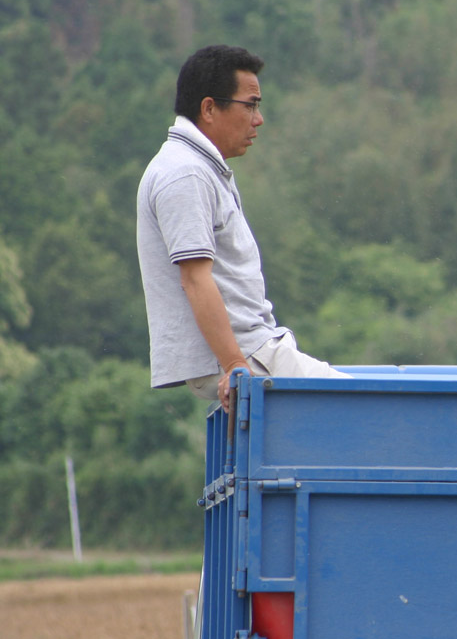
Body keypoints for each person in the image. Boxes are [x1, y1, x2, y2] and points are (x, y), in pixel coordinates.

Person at [137, 45, 346, 411]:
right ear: (209, 108)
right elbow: (195, 279)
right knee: (371, 408)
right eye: (250, 104)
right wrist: (236, 365)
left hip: (250, 352)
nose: (258, 118)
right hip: (247, 356)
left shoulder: (197, 166)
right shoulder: (185, 172)